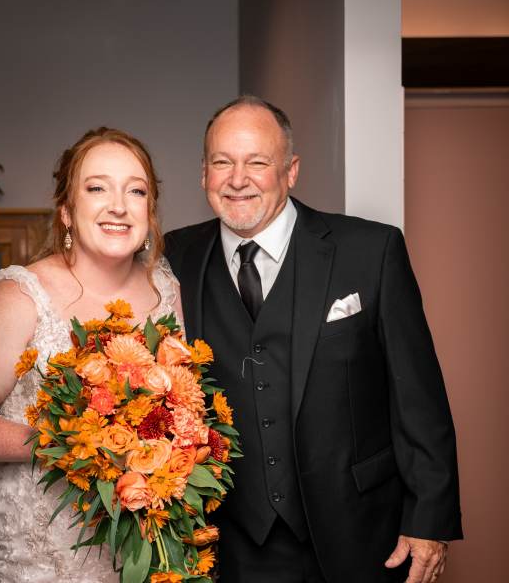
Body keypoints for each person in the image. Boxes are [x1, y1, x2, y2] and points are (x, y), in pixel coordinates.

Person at [164, 96, 462, 583]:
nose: (238, 179)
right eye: (222, 162)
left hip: (357, 533)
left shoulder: (371, 250)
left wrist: (430, 518)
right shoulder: (174, 256)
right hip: (227, 544)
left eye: (257, 162)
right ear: (203, 174)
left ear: (291, 171)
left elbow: (417, 395)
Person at [0, 127, 182, 582]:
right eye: (97, 188)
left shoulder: (167, 291)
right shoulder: (19, 295)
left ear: (149, 212)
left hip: (137, 552)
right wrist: (70, 442)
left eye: (136, 191)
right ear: (67, 212)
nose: (119, 205)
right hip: (36, 557)